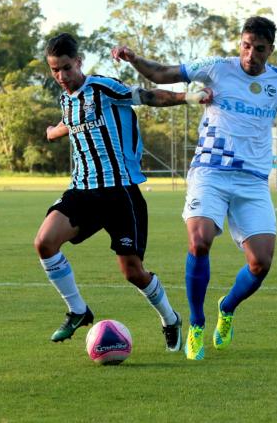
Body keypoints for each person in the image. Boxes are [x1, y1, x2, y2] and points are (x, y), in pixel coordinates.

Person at [112, 16, 277, 360]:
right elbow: (163, 73)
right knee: (199, 240)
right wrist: (135, 59)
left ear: (271, 49)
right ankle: (196, 324)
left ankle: (227, 307)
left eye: (259, 48)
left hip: (252, 180)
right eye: (246, 45)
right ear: (241, 42)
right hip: (210, 171)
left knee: (260, 264)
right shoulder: (217, 69)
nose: (251, 54)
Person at [36, 33, 210, 351]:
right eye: (54, 70)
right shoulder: (65, 99)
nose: (61, 76)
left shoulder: (103, 87)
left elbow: (147, 96)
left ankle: (170, 318)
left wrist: (186, 97)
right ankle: (77, 310)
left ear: (78, 62)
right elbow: (70, 121)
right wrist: (53, 132)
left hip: (120, 193)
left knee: (133, 272)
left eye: (65, 68)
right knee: (44, 243)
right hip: (83, 190)